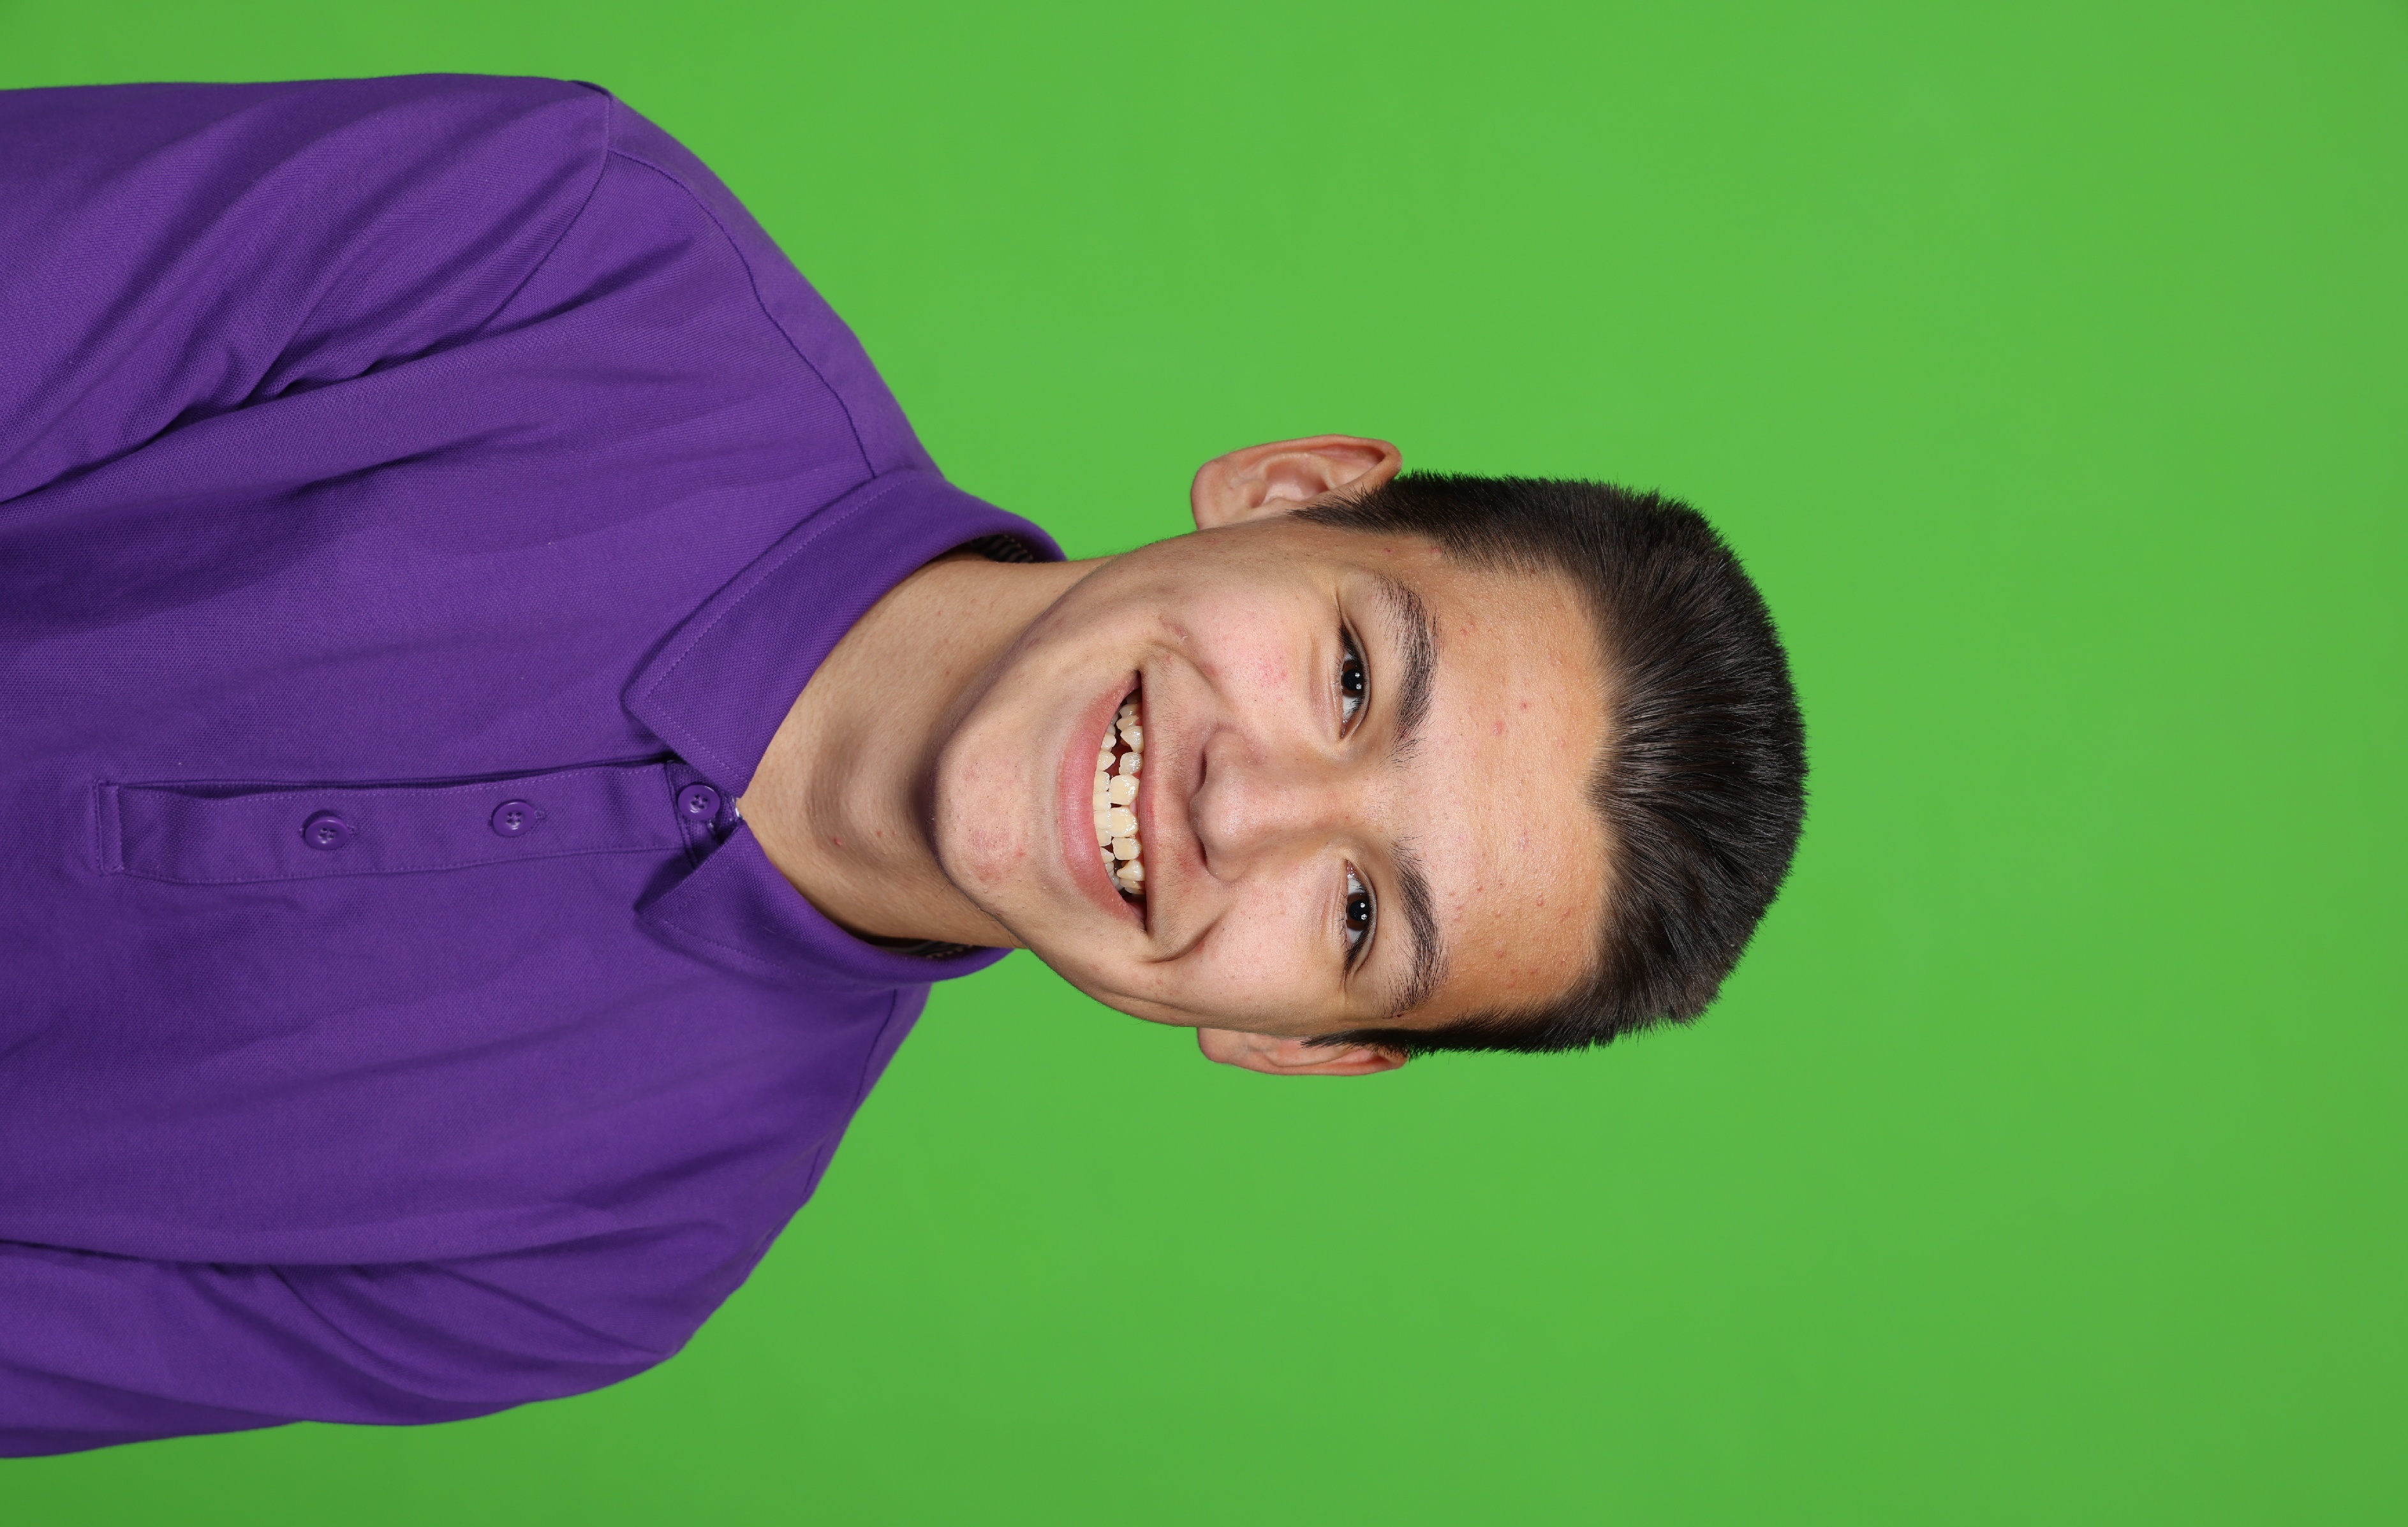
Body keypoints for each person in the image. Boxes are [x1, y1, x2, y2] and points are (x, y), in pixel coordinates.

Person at [0, 75, 1806, 1455]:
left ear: (1295, 1044)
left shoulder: (606, 1263)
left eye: (1357, 914)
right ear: (1288, 492)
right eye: (1350, 677)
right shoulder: (567, 247)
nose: (1243, 808)